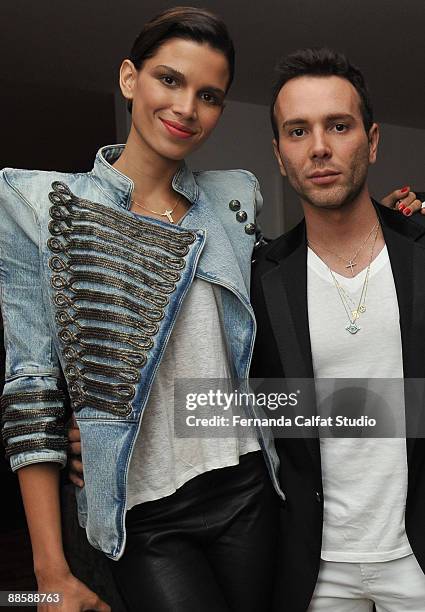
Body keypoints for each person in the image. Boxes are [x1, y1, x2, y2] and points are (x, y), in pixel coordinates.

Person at [0, 7, 283, 612]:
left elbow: (280, 306)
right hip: (143, 510)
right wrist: (47, 571)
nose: (186, 108)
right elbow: (31, 383)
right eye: (170, 80)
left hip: (248, 485)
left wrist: (393, 222)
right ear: (130, 79)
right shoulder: (43, 205)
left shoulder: (233, 201)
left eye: (208, 95)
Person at [250, 47, 425, 611]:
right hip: (316, 569)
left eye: (338, 126)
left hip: (417, 560)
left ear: (371, 141)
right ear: (279, 155)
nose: (319, 147)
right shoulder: (260, 278)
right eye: (297, 131)